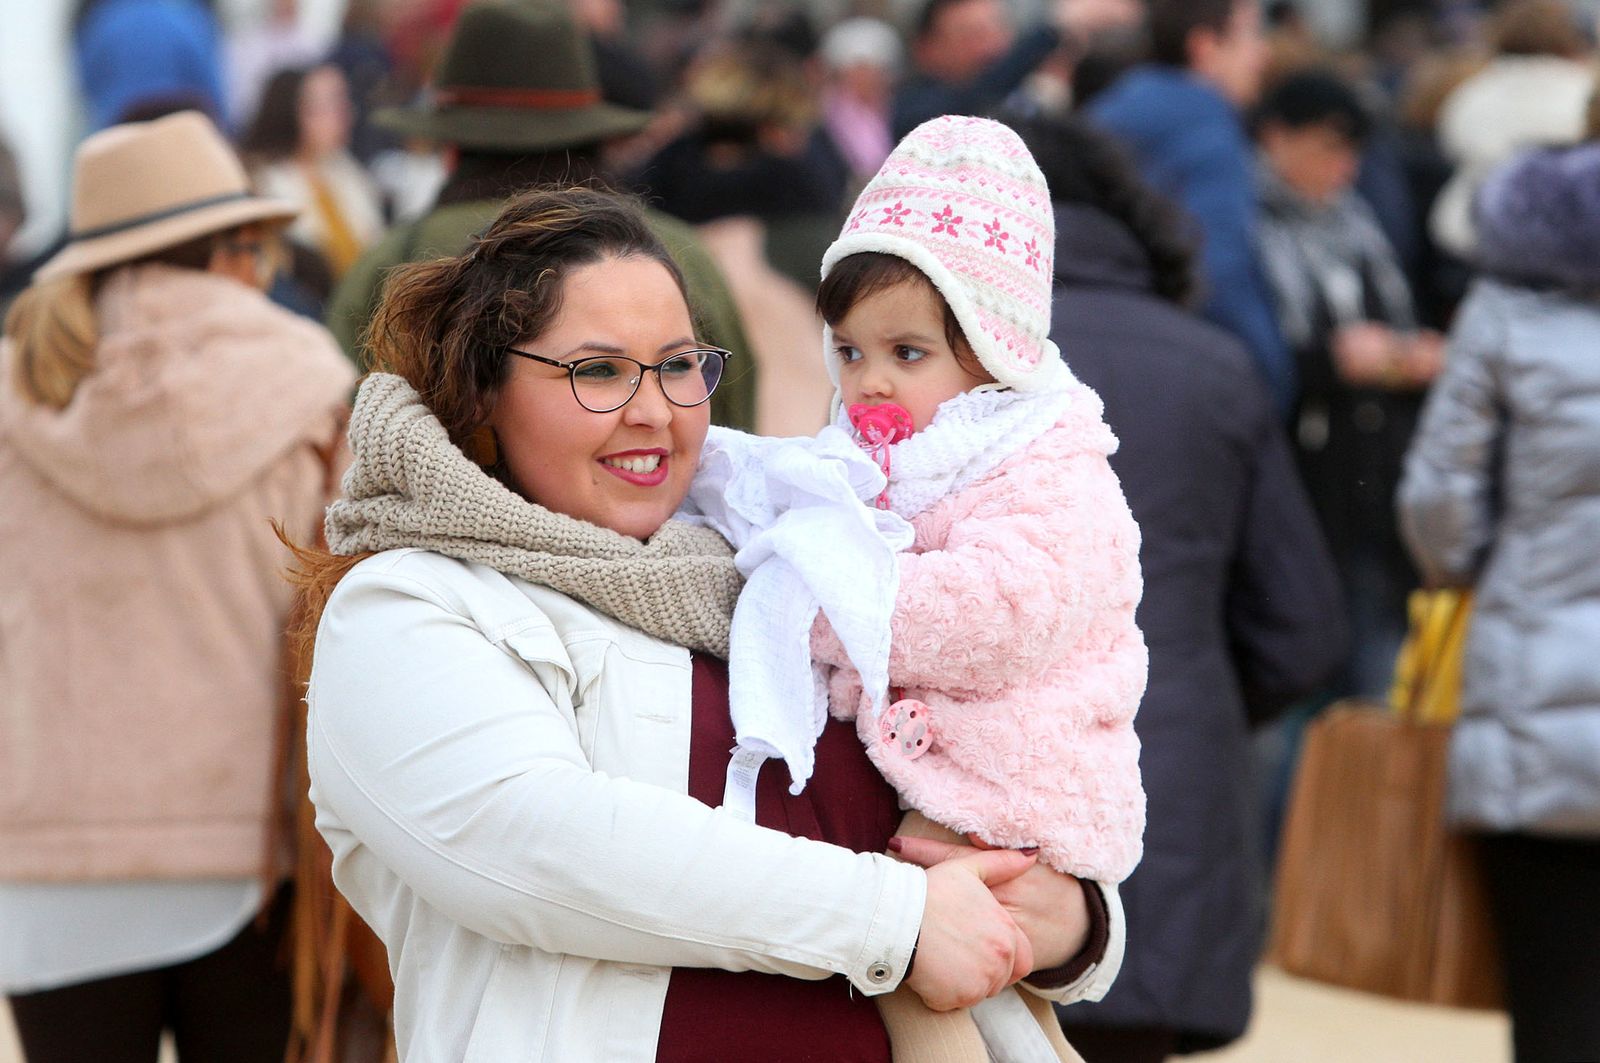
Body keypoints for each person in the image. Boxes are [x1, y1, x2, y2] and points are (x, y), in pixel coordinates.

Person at [296, 184, 1109, 1061]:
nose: (653, 408)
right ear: (483, 389)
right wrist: (896, 917)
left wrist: (1074, 920)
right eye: (598, 370)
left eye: (679, 364)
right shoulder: (410, 605)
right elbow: (541, 844)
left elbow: (987, 776)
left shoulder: (781, 566)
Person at [682, 114, 1143, 1060]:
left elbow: (998, 611)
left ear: (992, 345)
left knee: (915, 954)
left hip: (1007, 774)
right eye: (849, 351)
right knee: (997, 998)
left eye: (908, 352)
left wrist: (817, 605)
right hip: (954, 772)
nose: (869, 381)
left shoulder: (1047, 462)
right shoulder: (895, 453)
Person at [0, 111, 355, 1062]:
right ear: (237, 250)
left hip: (45, 855)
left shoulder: (15, 391)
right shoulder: (309, 383)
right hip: (256, 846)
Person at [1004, 110, 1345, 1063]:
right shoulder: (1213, 365)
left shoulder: (919, 366)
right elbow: (1302, 625)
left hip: (967, 838)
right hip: (1167, 796)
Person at [325, 0, 757, 433]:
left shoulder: (393, 262)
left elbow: (347, 431)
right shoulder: (677, 252)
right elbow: (736, 423)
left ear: (452, 147)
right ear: (594, 136)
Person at [1398, 142, 1600, 1063]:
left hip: (1532, 712)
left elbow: (1439, 508)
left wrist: (1487, 564)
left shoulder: (1502, 312)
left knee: (1554, 999)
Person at [1252, 69, 1442, 698]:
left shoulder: (1358, 226)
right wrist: (1332, 361)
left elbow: (1400, 328)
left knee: (1374, 668)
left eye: (1353, 150)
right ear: (1277, 137)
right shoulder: (1247, 230)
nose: (1345, 168)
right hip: (1303, 481)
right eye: (1330, 146)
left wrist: (1407, 358)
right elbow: (1262, 355)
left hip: (1373, 476)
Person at [1089, 0, 1292, 415]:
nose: (1263, 53)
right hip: (1193, 383)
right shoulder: (1205, 127)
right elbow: (1219, 269)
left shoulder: (1111, 113)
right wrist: (1272, 381)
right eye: (1249, 35)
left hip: (1108, 363)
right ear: (1205, 46)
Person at [1428, 0, 1593, 259]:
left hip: (1478, 231)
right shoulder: (1582, 89)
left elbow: (1451, 145)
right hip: (1566, 239)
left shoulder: (1473, 91)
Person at [243, 64, 387, 280]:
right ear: (291, 111)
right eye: (330, 105)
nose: (346, 115)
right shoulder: (262, 184)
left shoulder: (346, 170)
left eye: (344, 102)